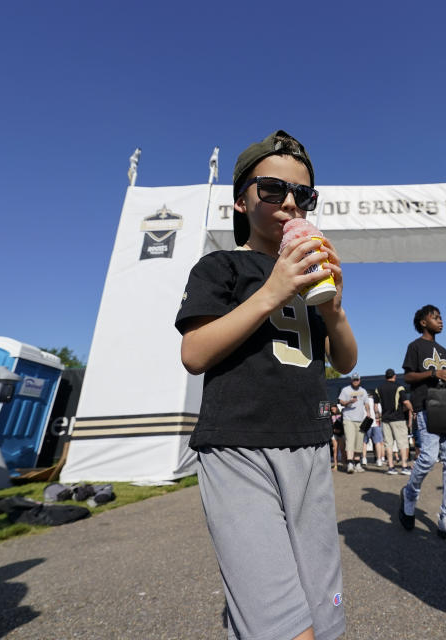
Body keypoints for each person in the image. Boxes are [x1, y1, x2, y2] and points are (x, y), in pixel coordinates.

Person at [175, 130, 356, 640]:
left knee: (323, 613)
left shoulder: (310, 276)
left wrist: (335, 311)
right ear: (241, 199)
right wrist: (272, 290)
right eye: (272, 189)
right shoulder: (221, 266)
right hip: (239, 445)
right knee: (282, 622)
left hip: (310, 445)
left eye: (303, 194)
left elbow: (342, 360)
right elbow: (194, 354)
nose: (290, 203)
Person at [397, 305, 446, 545]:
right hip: (425, 406)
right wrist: (433, 375)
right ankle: (410, 493)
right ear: (423, 322)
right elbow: (408, 377)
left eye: (441, 317)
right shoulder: (415, 346)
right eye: (435, 317)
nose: (440, 321)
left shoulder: (443, 350)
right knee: (429, 457)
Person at [375, 368, 412, 475]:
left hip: (385, 420)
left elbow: (375, 406)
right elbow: (405, 402)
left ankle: (391, 467)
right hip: (398, 419)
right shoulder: (399, 387)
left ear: (385, 376)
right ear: (394, 376)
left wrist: (378, 416)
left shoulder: (379, 388)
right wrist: (412, 410)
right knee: (403, 443)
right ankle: (404, 467)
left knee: (388, 444)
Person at [338, 373, 371, 473]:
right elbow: (341, 402)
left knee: (359, 442)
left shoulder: (363, 391)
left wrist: (368, 412)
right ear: (351, 380)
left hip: (360, 420)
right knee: (350, 441)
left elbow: (366, 403)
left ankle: (357, 463)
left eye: (357, 379)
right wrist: (349, 402)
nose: (355, 381)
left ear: (359, 380)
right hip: (348, 419)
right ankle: (350, 464)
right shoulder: (345, 390)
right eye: (354, 380)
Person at [362, 391, 386, 466]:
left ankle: (364, 459)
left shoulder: (362, 402)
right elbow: (379, 413)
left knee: (364, 442)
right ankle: (379, 460)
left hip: (365, 422)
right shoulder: (376, 402)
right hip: (375, 423)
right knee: (377, 442)